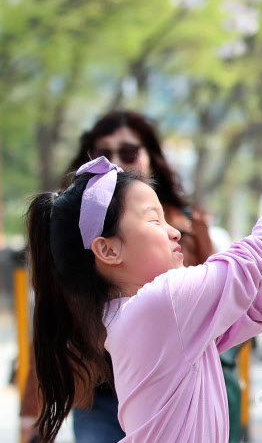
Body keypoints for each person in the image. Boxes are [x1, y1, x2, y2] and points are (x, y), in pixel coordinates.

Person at [26, 94, 262, 442]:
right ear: (108, 249)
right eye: (154, 220)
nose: (174, 230)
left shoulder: (147, 314)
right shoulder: (163, 303)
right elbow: (261, 256)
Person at [20, 110, 219, 442]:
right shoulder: (77, 233)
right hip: (99, 394)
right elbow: (52, 319)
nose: (115, 162)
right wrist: (34, 411)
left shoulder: (187, 226)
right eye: (102, 154)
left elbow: (221, 297)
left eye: (128, 152)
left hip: (172, 391)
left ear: (151, 157)